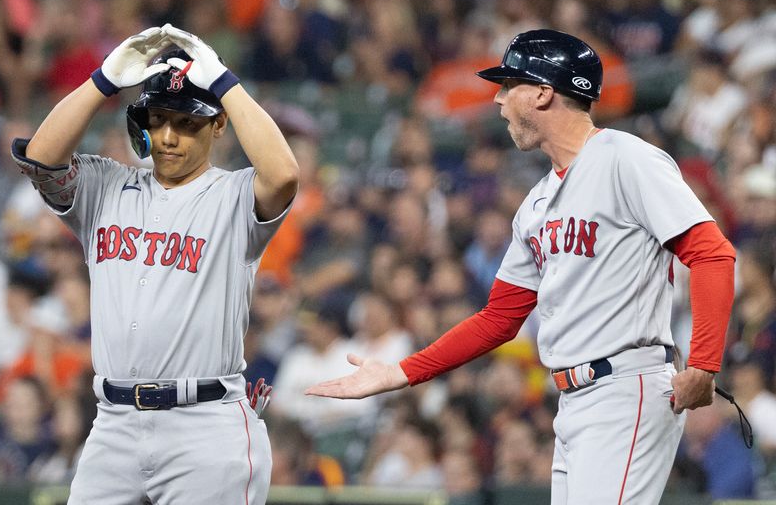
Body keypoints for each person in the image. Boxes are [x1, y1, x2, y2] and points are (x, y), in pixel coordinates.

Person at [306, 29, 736, 504]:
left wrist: (703, 364)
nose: (499, 99)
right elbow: (498, 319)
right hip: (574, 400)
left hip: (625, 386)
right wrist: (402, 372)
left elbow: (712, 253)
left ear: (543, 92)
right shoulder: (536, 202)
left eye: (509, 86)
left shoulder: (624, 157)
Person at [11, 24, 298, 504]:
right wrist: (102, 79)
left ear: (219, 124)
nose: (168, 136)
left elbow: (284, 174)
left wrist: (224, 82)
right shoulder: (105, 187)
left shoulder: (233, 195)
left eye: (187, 123)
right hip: (113, 424)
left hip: (205, 426)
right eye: (159, 119)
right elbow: (41, 158)